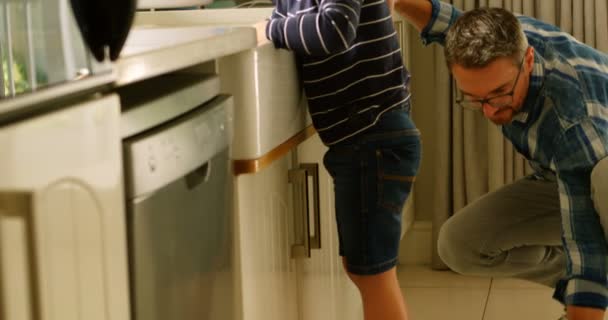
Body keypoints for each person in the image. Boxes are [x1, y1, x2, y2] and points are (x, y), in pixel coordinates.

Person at [393, 1, 608, 319]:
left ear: (529, 59)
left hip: (598, 167)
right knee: (459, 244)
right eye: (476, 98)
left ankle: (593, 291)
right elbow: (445, 21)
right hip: (565, 170)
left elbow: (585, 241)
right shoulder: (498, 37)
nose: (491, 110)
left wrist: (587, 292)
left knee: (603, 182)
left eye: (500, 92)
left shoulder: (570, 120)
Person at [253, 1, 422, 319]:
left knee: (373, 275)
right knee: (363, 269)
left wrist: (270, 30)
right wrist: (274, 24)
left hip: (372, 137)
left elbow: (335, 28)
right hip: (364, 140)